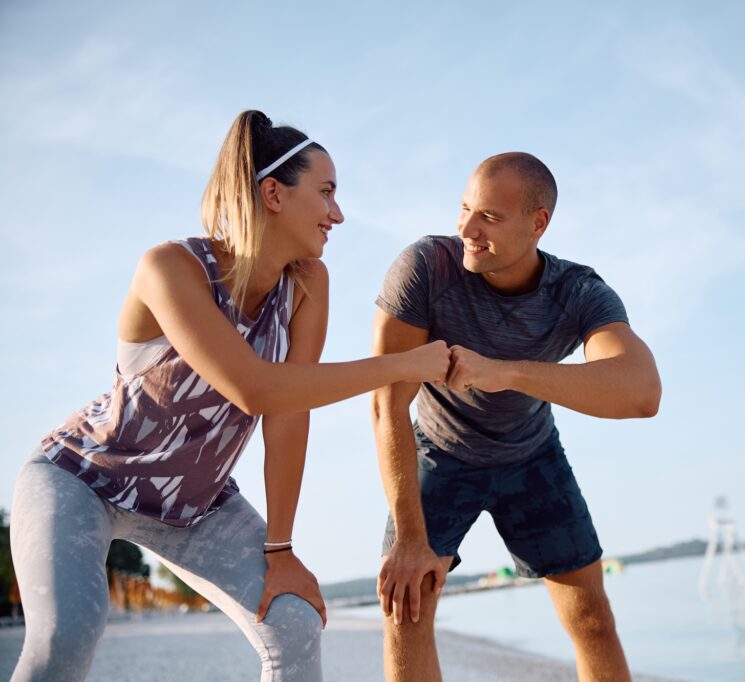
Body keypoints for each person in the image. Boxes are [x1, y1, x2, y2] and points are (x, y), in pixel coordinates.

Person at [9, 110, 450, 682]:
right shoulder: (170, 267)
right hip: (82, 478)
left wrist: (281, 548)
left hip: (195, 505)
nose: (338, 214)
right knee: (69, 630)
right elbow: (256, 389)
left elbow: (289, 412)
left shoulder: (306, 283)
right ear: (273, 193)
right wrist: (403, 365)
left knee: (293, 624)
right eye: (326, 193)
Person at [371, 152, 662, 682]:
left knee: (592, 617)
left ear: (538, 224)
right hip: (439, 453)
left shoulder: (577, 291)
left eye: (490, 217)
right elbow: (386, 403)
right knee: (406, 610)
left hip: (533, 457)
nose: (467, 228)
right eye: (464, 209)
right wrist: (411, 538)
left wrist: (506, 373)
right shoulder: (425, 268)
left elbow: (641, 392)